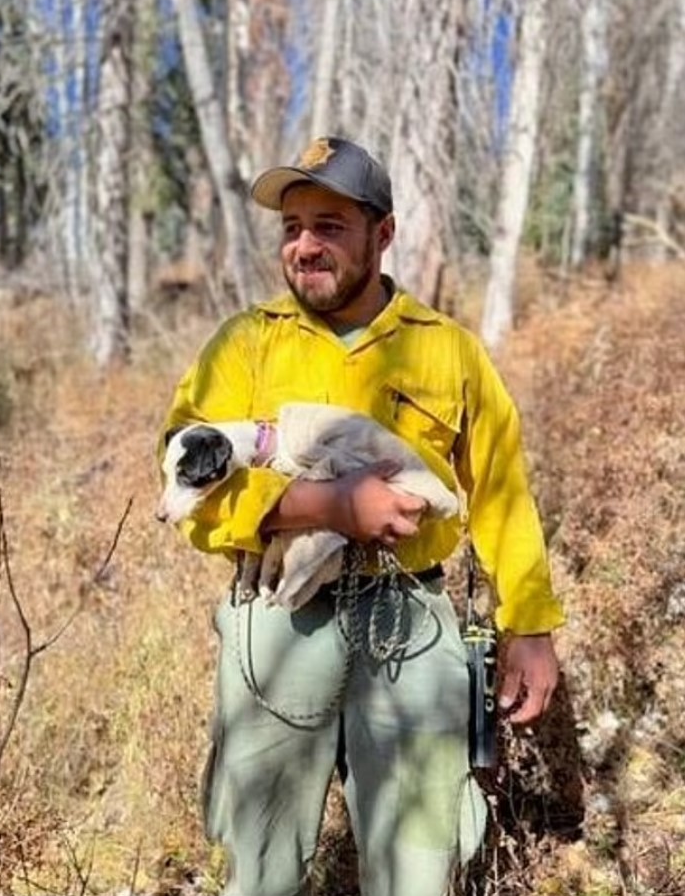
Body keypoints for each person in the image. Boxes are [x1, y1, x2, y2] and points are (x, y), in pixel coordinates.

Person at [160, 136, 565, 896]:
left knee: (418, 865)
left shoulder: (449, 352)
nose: (304, 246)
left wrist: (531, 627)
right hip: (280, 619)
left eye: (329, 226)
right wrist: (326, 505)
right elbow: (184, 472)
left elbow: (502, 491)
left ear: (382, 234)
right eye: (291, 227)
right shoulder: (245, 344)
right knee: (261, 863)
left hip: (410, 621)